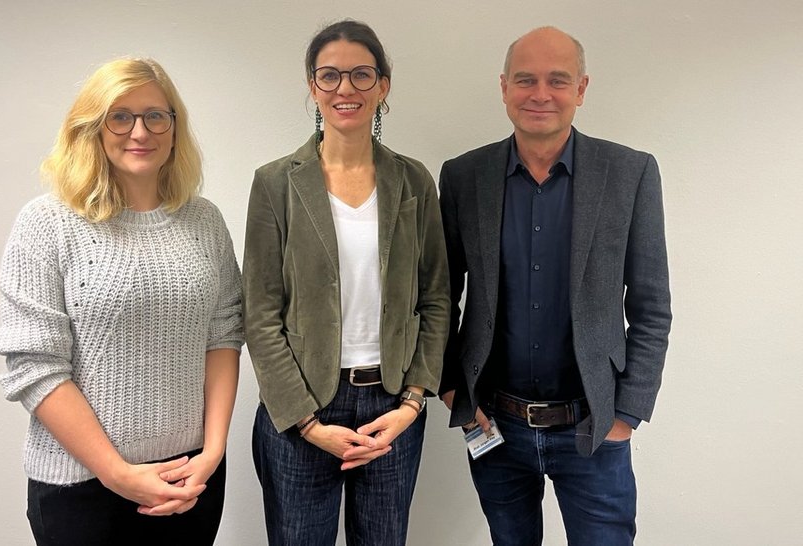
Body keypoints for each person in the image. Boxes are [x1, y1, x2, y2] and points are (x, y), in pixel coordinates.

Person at [0, 58, 243, 545]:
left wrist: (212, 452)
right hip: (81, 489)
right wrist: (117, 473)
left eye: (155, 116)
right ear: (93, 128)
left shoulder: (204, 221)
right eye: (120, 116)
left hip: (189, 481)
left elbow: (224, 335)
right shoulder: (47, 223)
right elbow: (36, 366)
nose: (139, 131)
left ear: (174, 127)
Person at [438, 26, 672, 545]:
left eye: (557, 80)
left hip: (593, 429)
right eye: (525, 80)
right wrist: (454, 391)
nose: (540, 94)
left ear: (582, 89)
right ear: (503, 88)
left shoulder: (630, 174)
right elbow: (439, 297)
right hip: (494, 426)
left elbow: (652, 307)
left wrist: (626, 414)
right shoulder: (462, 177)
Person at [243, 19, 449, 546]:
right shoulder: (275, 183)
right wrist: (308, 424)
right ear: (312, 86)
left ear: (383, 85)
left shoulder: (414, 181)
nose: (346, 89)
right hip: (302, 411)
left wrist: (412, 403)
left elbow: (436, 298)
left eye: (362, 75)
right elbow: (261, 313)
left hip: (391, 408)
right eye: (330, 76)